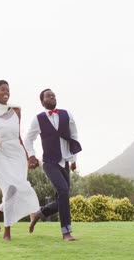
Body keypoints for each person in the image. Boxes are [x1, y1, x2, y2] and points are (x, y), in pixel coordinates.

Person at [0, 80, 40, 241]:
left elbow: (19, 137)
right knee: (9, 189)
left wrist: (28, 155)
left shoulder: (16, 110)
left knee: (19, 187)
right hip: (0, 155)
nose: (6, 92)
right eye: (2, 90)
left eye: (8, 90)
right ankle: (7, 231)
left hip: (17, 154)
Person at [24, 88, 82, 241]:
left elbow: (74, 136)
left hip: (65, 161)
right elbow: (28, 139)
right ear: (42, 101)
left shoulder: (67, 114)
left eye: (54, 95)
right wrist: (31, 156)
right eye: (48, 96)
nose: (52, 97)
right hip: (49, 162)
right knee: (63, 190)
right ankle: (66, 232)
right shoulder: (38, 119)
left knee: (62, 198)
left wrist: (74, 160)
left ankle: (39, 214)